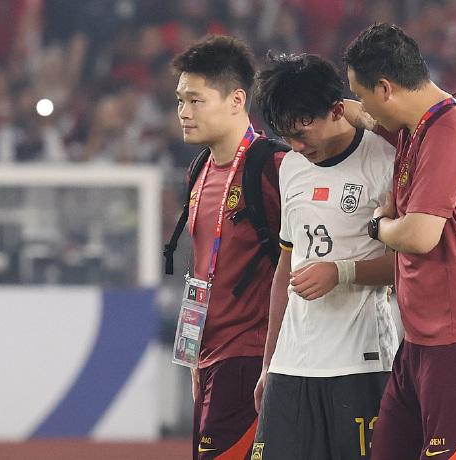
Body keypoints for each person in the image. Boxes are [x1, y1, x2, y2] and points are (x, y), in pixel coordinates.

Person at [344, 24, 456, 460]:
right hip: (423, 343)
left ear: (385, 88)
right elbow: (367, 117)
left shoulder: (450, 133)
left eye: (362, 94)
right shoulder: (418, 127)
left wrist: (379, 226)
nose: (362, 106)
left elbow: (420, 235)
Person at [250, 52, 399, 460]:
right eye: (287, 136)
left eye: (303, 132)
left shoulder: (384, 162)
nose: (297, 146)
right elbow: (287, 266)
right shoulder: (291, 167)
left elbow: (408, 266)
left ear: (337, 110)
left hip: (361, 361)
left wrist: (341, 272)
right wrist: (269, 362)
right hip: (292, 363)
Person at [171, 35, 287, 460]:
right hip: (208, 359)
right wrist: (195, 353)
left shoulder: (273, 166)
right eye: (180, 100)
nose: (184, 112)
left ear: (237, 100)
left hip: (250, 358)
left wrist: (275, 362)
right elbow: (204, 265)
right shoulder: (199, 169)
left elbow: (301, 260)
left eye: (196, 100)